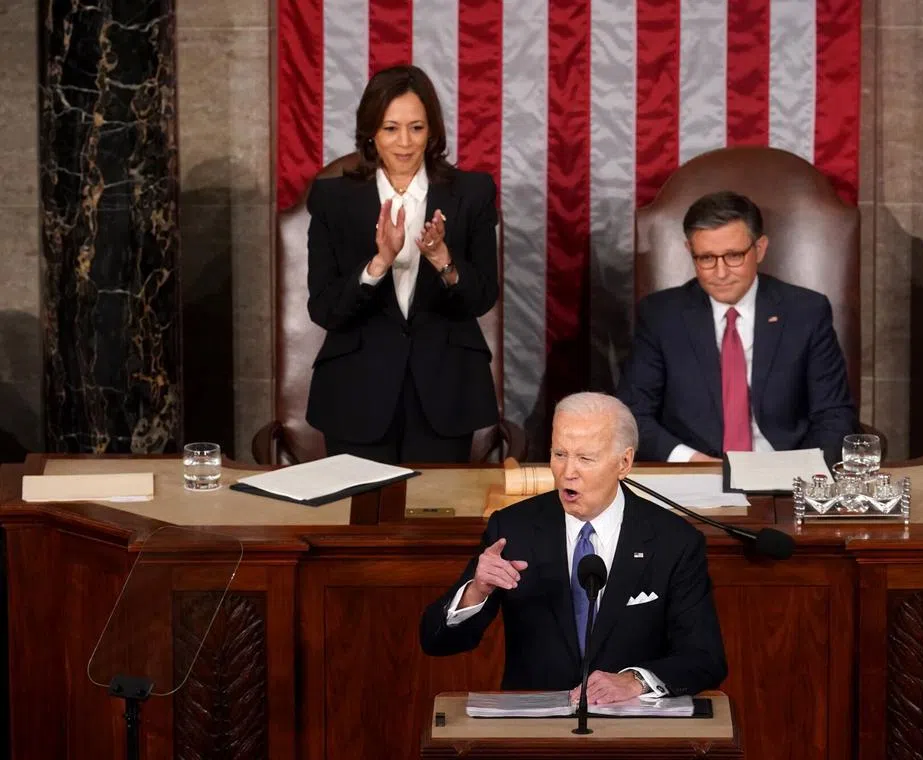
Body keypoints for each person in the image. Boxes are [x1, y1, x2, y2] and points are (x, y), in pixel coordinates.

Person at [420, 392, 727, 703]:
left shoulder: (673, 541)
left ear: (624, 462)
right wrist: (476, 590)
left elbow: (705, 658)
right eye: (559, 454)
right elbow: (436, 642)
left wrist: (635, 681)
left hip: (631, 727)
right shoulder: (513, 529)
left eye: (585, 458)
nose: (568, 472)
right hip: (535, 731)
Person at [305, 65, 499, 463]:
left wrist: (442, 259)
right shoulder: (332, 199)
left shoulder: (472, 193)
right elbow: (324, 308)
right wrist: (378, 263)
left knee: (436, 518)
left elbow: (481, 298)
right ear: (371, 132)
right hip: (355, 393)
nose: (405, 143)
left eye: (417, 128)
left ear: (433, 132)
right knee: (360, 523)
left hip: (446, 391)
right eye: (391, 128)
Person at [617, 190, 857, 465]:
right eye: (706, 258)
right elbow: (633, 414)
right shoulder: (660, 315)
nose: (720, 273)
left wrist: (800, 470)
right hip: (694, 472)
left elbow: (834, 414)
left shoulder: (806, 312)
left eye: (733, 256)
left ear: (760, 248)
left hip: (784, 472)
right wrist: (691, 461)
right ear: (690, 252)